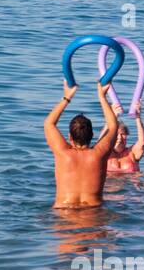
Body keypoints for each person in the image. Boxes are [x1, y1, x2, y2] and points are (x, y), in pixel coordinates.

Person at [44, 80, 119, 208]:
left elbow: (48, 124)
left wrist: (67, 97)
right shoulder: (99, 154)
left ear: (70, 137)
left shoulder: (62, 153)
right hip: (94, 213)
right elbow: (113, 126)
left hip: (63, 214)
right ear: (92, 136)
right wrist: (102, 97)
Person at [105, 99, 144, 175]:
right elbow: (101, 140)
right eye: (116, 134)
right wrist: (113, 116)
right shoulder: (105, 154)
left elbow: (142, 143)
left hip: (129, 185)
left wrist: (138, 118)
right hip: (110, 185)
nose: (119, 138)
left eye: (123, 134)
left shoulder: (132, 153)